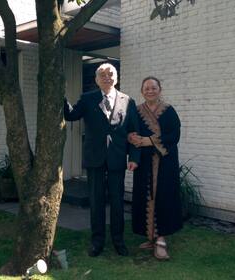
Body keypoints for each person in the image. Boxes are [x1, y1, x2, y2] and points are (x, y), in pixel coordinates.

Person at [64, 63, 140, 257]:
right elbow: (71, 115)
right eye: (102, 74)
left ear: (117, 77)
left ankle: (118, 241)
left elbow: (133, 131)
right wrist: (61, 95)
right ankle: (97, 242)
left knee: (117, 202)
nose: (107, 77)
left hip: (117, 158)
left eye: (110, 74)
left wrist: (134, 157)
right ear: (96, 80)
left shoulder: (127, 101)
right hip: (94, 158)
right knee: (96, 201)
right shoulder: (88, 98)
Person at [128, 76, 182, 260]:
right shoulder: (136, 111)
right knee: (146, 196)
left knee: (163, 197)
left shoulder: (169, 111)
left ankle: (161, 240)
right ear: (142, 91)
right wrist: (132, 138)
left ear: (160, 89)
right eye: (146, 88)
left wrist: (149, 140)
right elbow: (130, 129)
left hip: (165, 163)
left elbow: (174, 135)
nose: (150, 91)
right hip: (144, 163)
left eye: (153, 88)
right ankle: (150, 236)